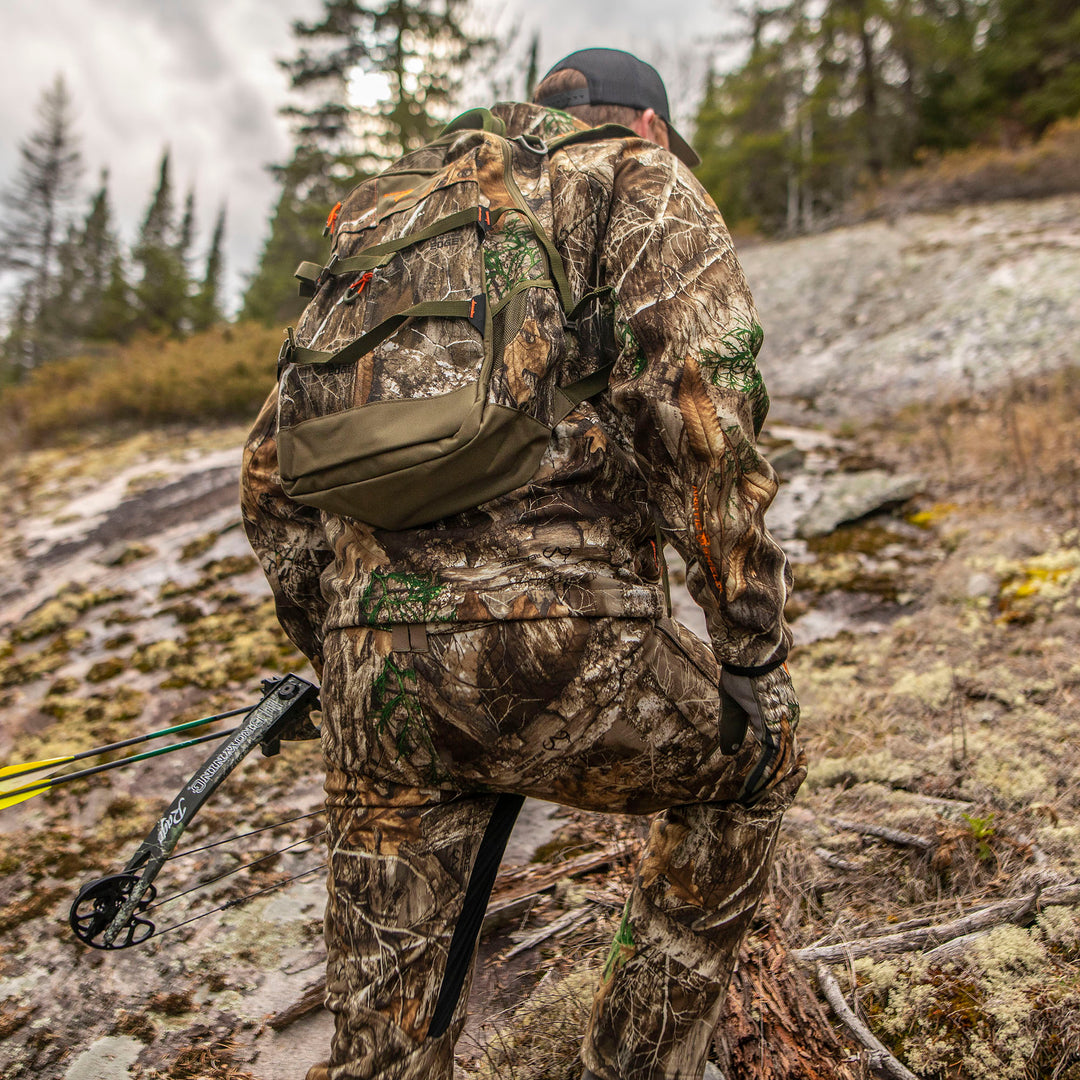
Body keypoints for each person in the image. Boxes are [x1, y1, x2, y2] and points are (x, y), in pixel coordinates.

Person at [242, 46, 805, 1080]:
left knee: (388, 1025)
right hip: (563, 648)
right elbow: (707, 422)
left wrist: (340, 652)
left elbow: (269, 472)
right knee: (756, 774)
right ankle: (629, 1067)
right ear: (649, 127)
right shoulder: (634, 177)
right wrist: (752, 650)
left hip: (376, 669)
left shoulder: (392, 218)